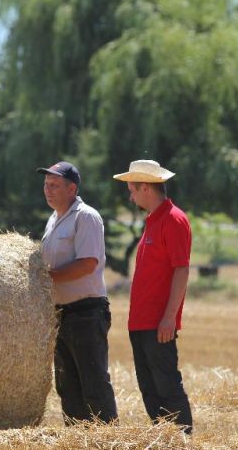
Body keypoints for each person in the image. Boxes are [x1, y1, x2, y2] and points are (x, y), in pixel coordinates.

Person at [113, 159, 193, 434]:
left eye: (132, 189)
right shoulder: (153, 220)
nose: (130, 195)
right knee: (149, 386)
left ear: (145, 187)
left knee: (167, 384)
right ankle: (162, 439)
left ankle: (182, 440)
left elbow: (181, 270)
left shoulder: (173, 220)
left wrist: (169, 317)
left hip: (158, 322)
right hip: (141, 321)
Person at [37, 161, 118, 424]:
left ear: (72, 189)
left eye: (55, 185)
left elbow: (87, 264)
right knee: (67, 385)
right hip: (60, 313)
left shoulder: (86, 217)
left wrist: (46, 279)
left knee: (93, 382)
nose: (48, 190)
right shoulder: (53, 220)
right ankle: (78, 442)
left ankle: (107, 440)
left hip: (86, 312)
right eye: (46, 184)